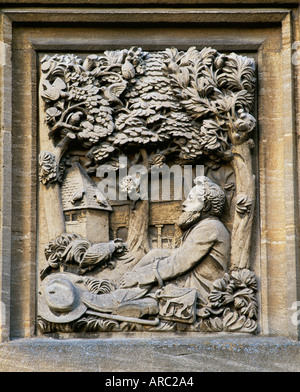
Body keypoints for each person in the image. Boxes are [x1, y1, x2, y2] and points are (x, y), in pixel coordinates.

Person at [82, 176, 230, 319]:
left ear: (207, 206)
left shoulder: (209, 228)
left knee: (149, 285)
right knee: (156, 255)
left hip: (198, 291)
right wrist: (152, 259)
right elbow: (176, 254)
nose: (184, 203)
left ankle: (117, 301)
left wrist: (140, 276)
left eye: (191, 199)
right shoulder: (204, 226)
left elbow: (178, 264)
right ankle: (124, 293)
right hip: (185, 282)